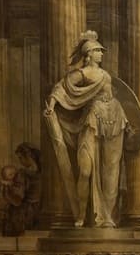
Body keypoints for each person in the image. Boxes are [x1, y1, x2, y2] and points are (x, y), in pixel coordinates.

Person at [44, 30, 129, 228]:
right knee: (85, 170)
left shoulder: (105, 75)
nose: (102, 54)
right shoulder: (82, 73)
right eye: (98, 50)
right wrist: (51, 106)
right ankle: (80, 215)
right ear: (89, 54)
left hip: (114, 118)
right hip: (92, 120)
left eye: (102, 51)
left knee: (111, 171)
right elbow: (60, 87)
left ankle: (107, 216)